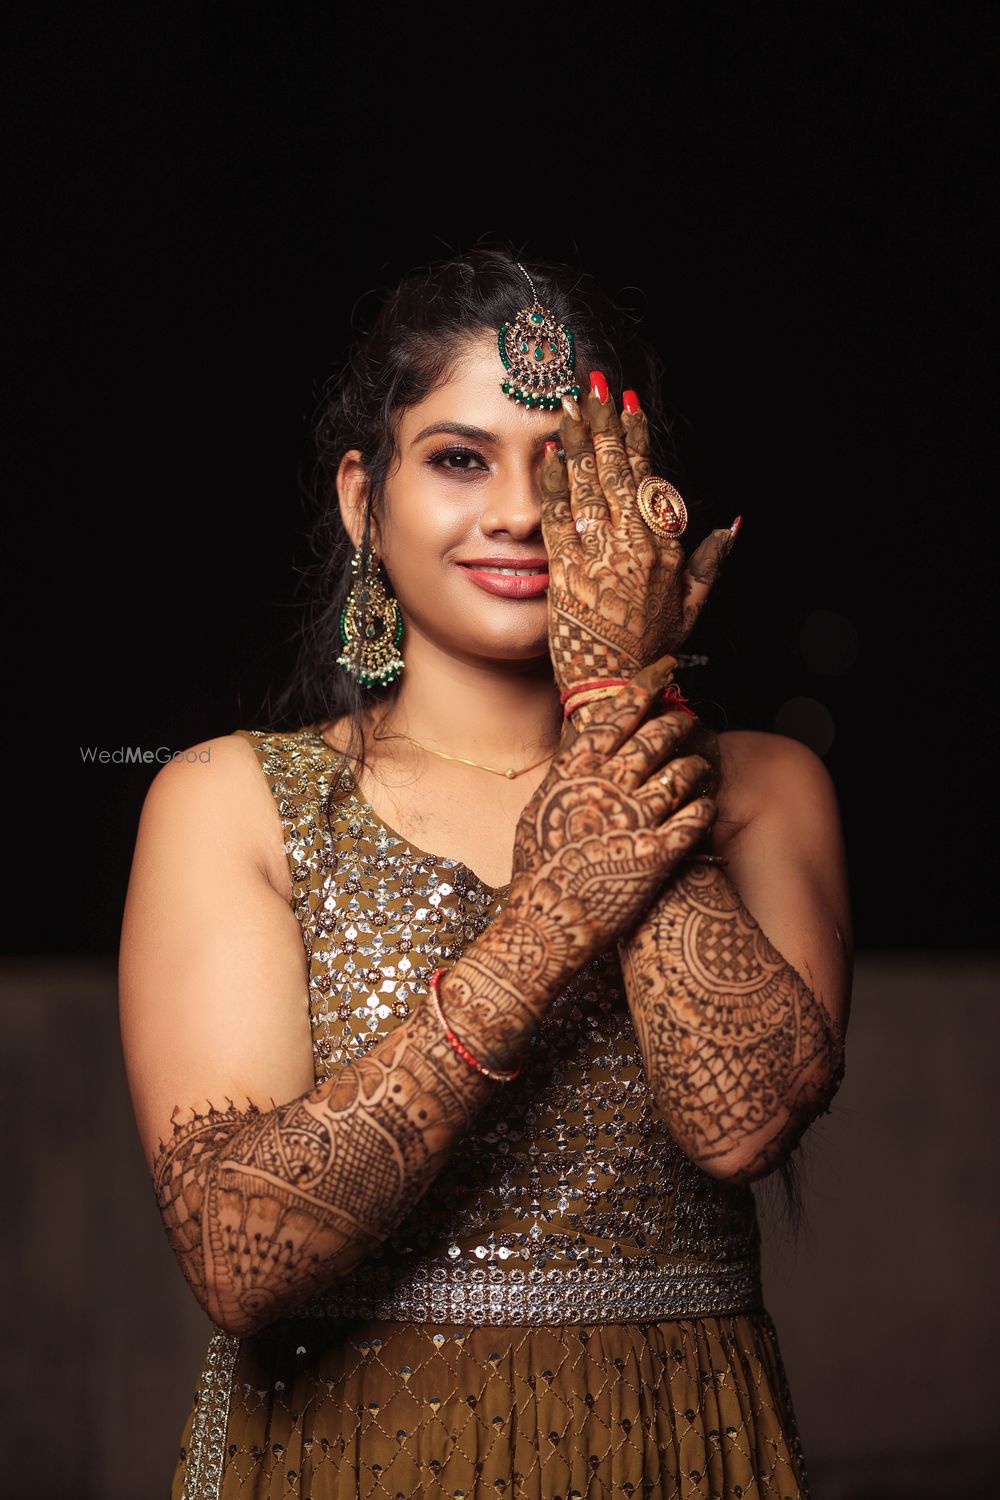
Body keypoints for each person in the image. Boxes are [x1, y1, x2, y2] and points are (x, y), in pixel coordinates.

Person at [118, 246, 852, 1500]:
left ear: (643, 505)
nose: (519, 511)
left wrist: (615, 709)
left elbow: (737, 1126)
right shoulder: (233, 801)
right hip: (340, 1456)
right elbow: (239, 1258)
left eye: (565, 466)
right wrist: (551, 918)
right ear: (363, 499)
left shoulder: (761, 790)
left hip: (676, 1452)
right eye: (460, 459)